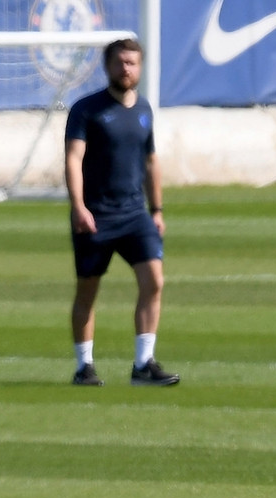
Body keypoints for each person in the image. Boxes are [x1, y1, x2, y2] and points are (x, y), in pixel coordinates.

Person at [65, 37, 180, 387]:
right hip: (96, 215)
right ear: (108, 66)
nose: (126, 69)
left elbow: (150, 161)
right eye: (120, 63)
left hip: (134, 214)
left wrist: (156, 209)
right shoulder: (86, 110)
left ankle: (143, 364)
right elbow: (73, 158)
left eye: (132, 63)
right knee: (88, 291)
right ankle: (84, 366)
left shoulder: (144, 109)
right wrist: (78, 206)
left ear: (140, 67)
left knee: (154, 281)